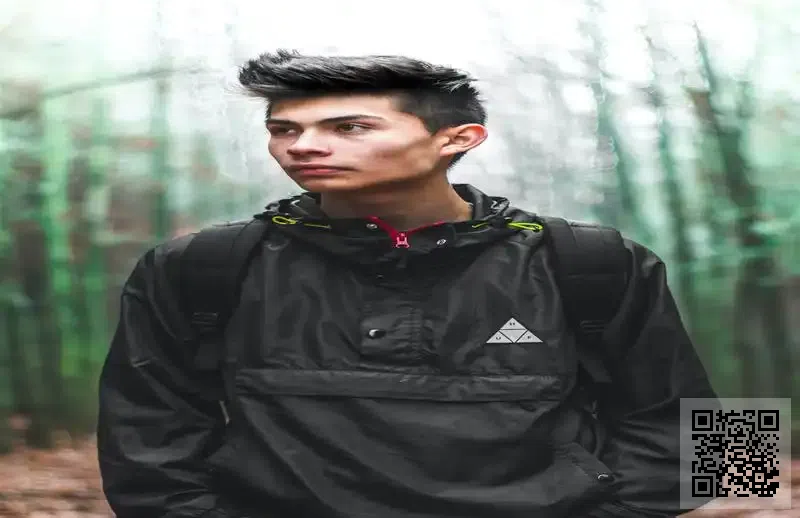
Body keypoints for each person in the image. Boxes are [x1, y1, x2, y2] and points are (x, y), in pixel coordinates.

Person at [97, 50, 719, 518]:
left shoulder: (593, 260)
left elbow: (705, 445)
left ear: (457, 139)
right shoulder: (201, 265)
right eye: (284, 129)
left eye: (349, 127)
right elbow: (146, 448)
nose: (301, 147)